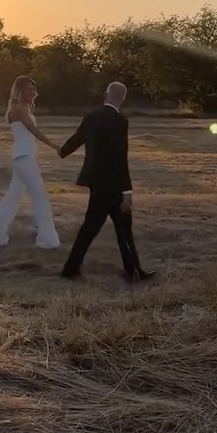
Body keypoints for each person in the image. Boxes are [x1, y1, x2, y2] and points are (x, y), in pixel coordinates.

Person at [58, 81, 153, 282]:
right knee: (124, 230)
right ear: (123, 98)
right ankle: (133, 271)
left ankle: (71, 268)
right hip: (114, 186)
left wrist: (62, 151)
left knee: (90, 228)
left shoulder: (91, 117)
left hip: (95, 182)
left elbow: (77, 138)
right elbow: (120, 157)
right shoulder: (120, 122)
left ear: (105, 95)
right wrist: (127, 191)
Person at [0, 76, 61, 250]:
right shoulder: (19, 108)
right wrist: (53, 145)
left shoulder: (23, 107)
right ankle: (47, 240)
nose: (32, 92)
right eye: (28, 89)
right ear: (20, 90)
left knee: (13, 196)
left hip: (24, 156)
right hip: (23, 157)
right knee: (39, 195)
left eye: (33, 88)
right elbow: (33, 130)